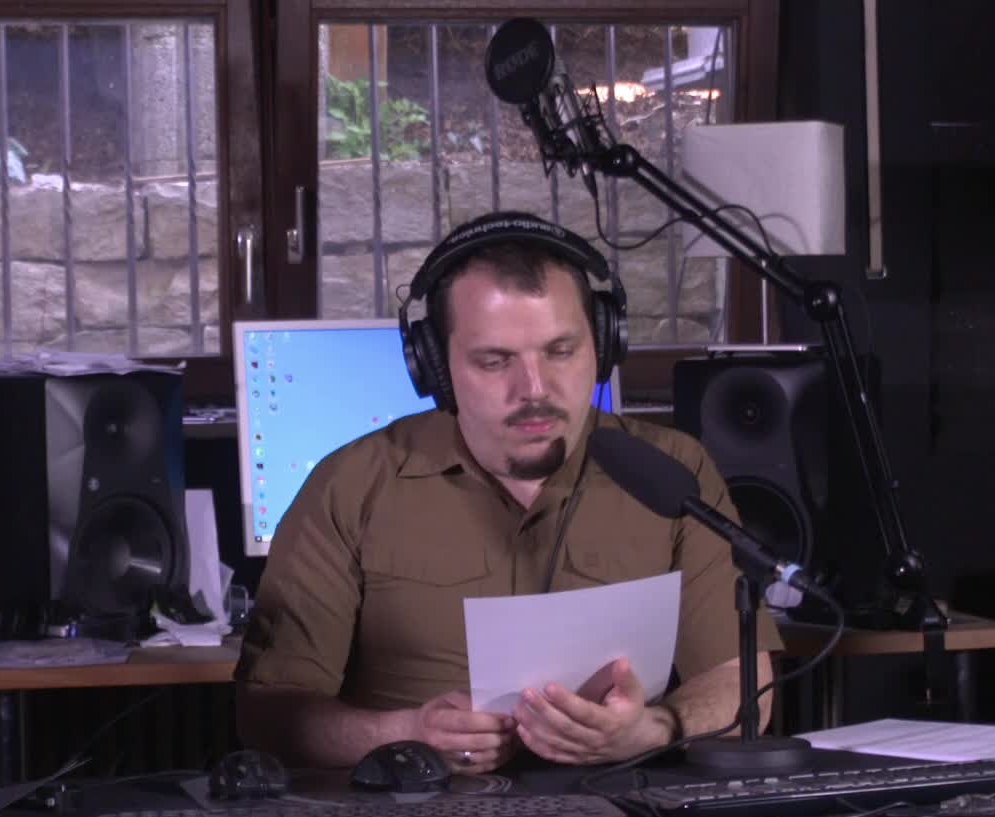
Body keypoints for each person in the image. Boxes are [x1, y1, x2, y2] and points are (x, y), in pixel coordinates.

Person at [235, 211, 778, 774]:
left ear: (604, 343)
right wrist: (405, 734)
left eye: (561, 351)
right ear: (435, 368)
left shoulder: (675, 472)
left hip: (625, 812)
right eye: (495, 361)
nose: (535, 389)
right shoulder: (351, 485)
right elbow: (267, 718)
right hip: (418, 816)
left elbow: (741, 685)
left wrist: (653, 730)